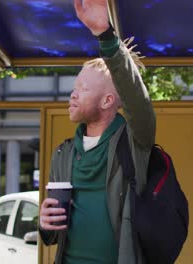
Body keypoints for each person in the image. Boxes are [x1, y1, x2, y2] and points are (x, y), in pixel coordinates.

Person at [38, 0, 155, 263]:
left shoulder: (134, 142)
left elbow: (139, 103)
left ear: (107, 101)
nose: (73, 94)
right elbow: (51, 235)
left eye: (84, 89)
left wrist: (105, 35)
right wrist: (45, 224)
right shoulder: (63, 152)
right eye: (75, 86)